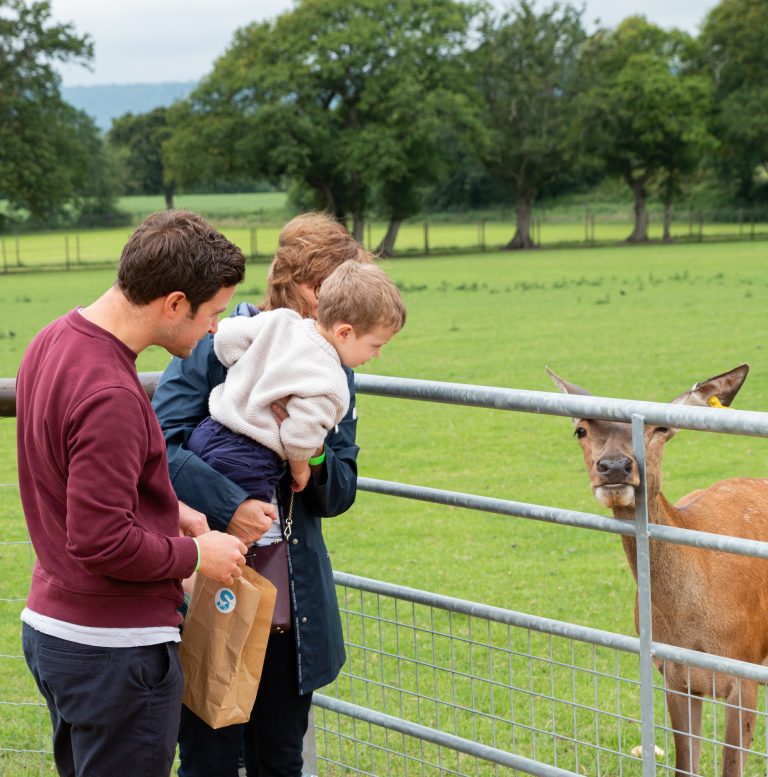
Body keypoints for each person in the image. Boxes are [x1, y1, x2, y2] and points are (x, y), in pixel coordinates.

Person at [16, 209, 250, 777]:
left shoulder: (52, 340)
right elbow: (99, 539)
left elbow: (80, 486)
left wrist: (173, 512)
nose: (215, 329)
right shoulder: (113, 393)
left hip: (58, 629)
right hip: (113, 653)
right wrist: (198, 554)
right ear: (173, 303)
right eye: (213, 313)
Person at [151, 212, 377, 777]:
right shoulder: (218, 345)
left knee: (280, 760)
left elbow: (341, 487)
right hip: (210, 592)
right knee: (208, 761)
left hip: (290, 610)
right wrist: (231, 504)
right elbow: (159, 447)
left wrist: (314, 461)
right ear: (312, 288)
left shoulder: (336, 365)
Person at [187, 260, 406, 505]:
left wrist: (247, 368)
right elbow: (299, 437)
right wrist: (300, 470)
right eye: (375, 346)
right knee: (239, 534)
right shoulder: (330, 381)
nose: (377, 355)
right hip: (249, 461)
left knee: (198, 524)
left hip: (208, 431)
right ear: (344, 333)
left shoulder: (282, 320)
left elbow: (227, 338)